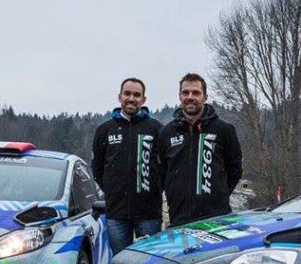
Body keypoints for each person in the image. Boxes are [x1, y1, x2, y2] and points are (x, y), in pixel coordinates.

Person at [158, 72, 243, 226]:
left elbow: (235, 170)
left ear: (205, 97)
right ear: (179, 96)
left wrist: (218, 195)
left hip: (217, 217)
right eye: (185, 92)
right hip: (179, 217)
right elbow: (162, 172)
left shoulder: (224, 130)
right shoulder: (166, 132)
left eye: (196, 93)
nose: (190, 97)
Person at [92, 77, 162, 254]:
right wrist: (112, 190)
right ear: (120, 97)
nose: (131, 98)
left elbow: (166, 168)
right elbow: (98, 168)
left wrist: (155, 189)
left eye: (137, 95)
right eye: (127, 94)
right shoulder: (105, 130)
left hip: (149, 213)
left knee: (149, 262)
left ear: (143, 100)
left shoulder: (157, 129)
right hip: (116, 212)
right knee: (120, 262)